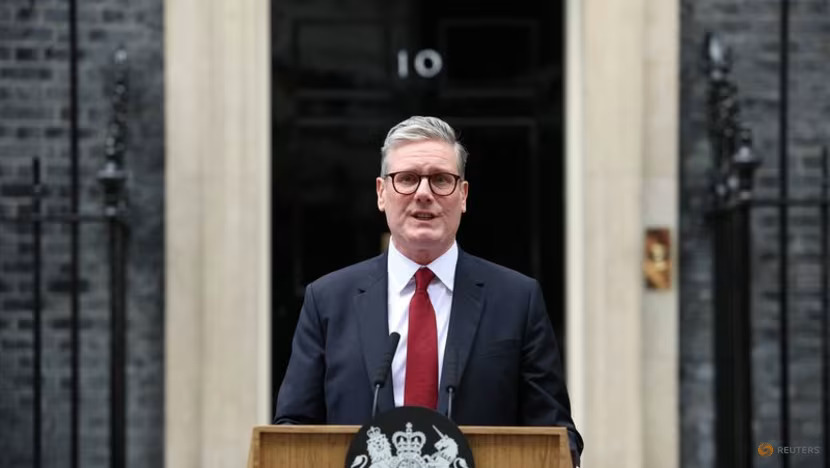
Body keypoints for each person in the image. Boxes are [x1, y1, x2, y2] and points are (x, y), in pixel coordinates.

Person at [274, 116, 584, 465]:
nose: (424, 194)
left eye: (440, 179)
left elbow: (557, 438)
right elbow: (293, 430)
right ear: (381, 193)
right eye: (406, 179)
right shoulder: (328, 300)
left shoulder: (517, 300)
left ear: (463, 195)